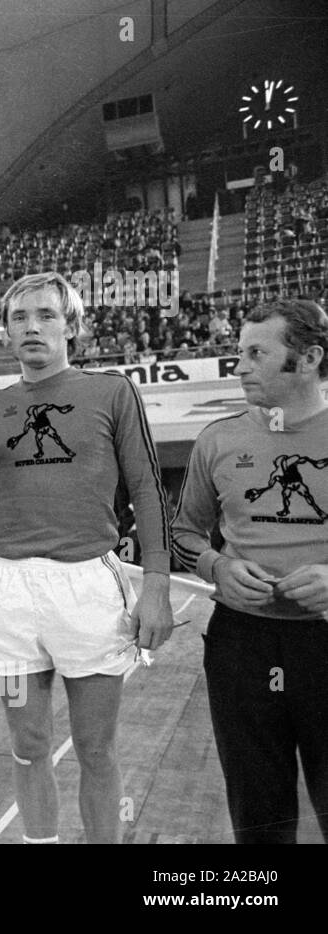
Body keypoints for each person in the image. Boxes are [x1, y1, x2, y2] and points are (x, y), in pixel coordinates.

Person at [0, 271, 173, 844]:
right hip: (9, 591)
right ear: (6, 333)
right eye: (19, 317)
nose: (32, 326)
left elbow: (147, 488)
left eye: (45, 315)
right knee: (28, 747)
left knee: (94, 748)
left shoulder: (113, 393)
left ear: (72, 326)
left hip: (87, 586)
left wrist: (158, 586)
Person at [171, 299, 328, 844]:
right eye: (239, 352)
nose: (238, 366)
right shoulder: (218, 439)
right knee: (258, 817)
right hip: (242, 644)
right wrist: (217, 565)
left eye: (256, 353)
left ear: (308, 358)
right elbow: (184, 533)